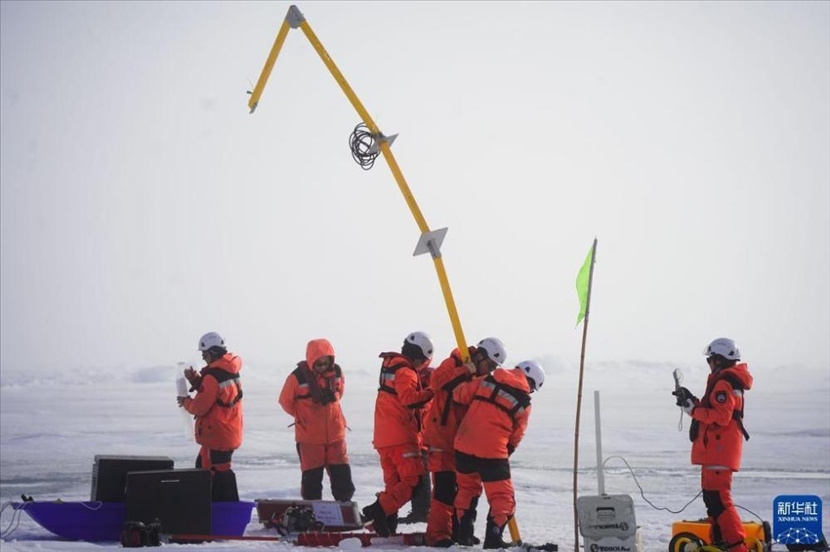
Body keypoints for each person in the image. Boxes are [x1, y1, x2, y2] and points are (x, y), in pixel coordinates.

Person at [422, 337, 507, 547]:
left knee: (461, 490)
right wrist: (464, 371)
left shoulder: (480, 379)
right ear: (480, 356)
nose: (490, 370)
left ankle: (456, 532)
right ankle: (437, 534)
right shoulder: (455, 362)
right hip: (441, 437)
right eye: (490, 365)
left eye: (494, 368)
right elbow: (436, 382)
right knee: (444, 488)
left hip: (461, 442)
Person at [452, 359, 545, 549]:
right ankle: (493, 540)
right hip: (493, 451)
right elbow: (517, 435)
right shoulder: (524, 403)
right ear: (531, 382)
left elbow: (459, 395)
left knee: (466, 491)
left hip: (463, 444)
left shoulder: (488, 379)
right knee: (503, 498)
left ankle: (463, 536)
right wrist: (504, 452)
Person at [673, 338, 753, 552]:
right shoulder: (725, 382)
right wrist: (692, 402)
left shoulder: (723, 384)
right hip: (717, 452)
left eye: (710, 359)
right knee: (712, 500)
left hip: (719, 450)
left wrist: (693, 410)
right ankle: (721, 541)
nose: (708, 363)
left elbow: (721, 416)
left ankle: (736, 546)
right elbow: (714, 410)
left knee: (719, 500)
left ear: (719, 360)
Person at [361, 332, 436, 537]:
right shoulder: (406, 372)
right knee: (413, 482)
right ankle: (378, 510)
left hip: (384, 437)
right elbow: (409, 399)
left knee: (394, 484)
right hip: (401, 437)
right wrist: (432, 391)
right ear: (422, 357)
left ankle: (386, 523)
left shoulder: (390, 367)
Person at [279, 338, 355, 502]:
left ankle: (344, 507)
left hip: (335, 435)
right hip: (310, 439)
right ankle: (312, 509)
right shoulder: (297, 377)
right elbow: (285, 401)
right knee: (312, 481)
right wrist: (303, 417)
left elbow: (340, 393)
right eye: (318, 364)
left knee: (342, 478)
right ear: (311, 360)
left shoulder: (337, 373)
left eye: (325, 363)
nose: (322, 367)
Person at [177, 331, 244, 501]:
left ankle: (223, 508)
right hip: (227, 432)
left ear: (212, 352)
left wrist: (185, 401)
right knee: (204, 467)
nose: (203, 358)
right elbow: (217, 395)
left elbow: (199, 407)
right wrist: (196, 380)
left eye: (205, 354)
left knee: (217, 472)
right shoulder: (229, 370)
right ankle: (214, 506)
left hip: (217, 435)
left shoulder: (213, 376)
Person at [399, 360, 435, 525]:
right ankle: (421, 511)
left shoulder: (425, 400)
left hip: (424, 440)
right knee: (420, 475)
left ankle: (422, 511)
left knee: (422, 475)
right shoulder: (426, 398)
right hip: (422, 439)